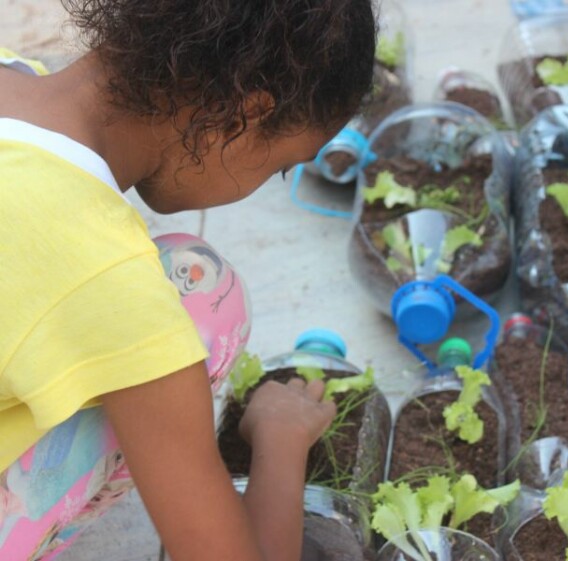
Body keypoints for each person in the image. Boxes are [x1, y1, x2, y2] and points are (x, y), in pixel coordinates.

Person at [0, 0, 376, 559]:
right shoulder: (109, 280)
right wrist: (280, 441)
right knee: (205, 296)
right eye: (280, 166)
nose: (268, 182)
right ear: (243, 118)